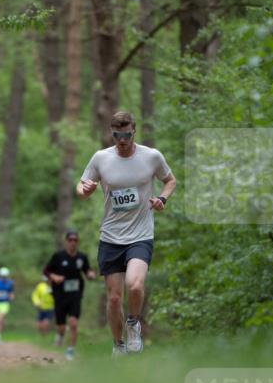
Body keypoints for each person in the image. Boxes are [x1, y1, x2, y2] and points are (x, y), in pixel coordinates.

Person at [76, 110, 176, 355]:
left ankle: (133, 324)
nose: (122, 141)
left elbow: (170, 180)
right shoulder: (101, 158)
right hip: (110, 235)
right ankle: (118, 344)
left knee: (134, 285)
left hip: (141, 234)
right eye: (117, 135)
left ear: (134, 132)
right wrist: (85, 189)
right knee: (113, 298)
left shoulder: (151, 156)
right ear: (112, 133)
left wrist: (162, 198)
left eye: (127, 135)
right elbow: (81, 185)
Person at [44, 230, 95, 360]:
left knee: (73, 322)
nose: (73, 242)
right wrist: (54, 276)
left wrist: (90, 274)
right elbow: (46, 270)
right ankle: (60, 335)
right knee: (61, 326)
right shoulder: (58, 256)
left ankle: (70, 350)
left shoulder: (82, 257)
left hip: (75, 294)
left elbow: (87, 270)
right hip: (59, 294)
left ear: (78, 242)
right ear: (66, 241)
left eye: (75, 240)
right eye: (70, 240)